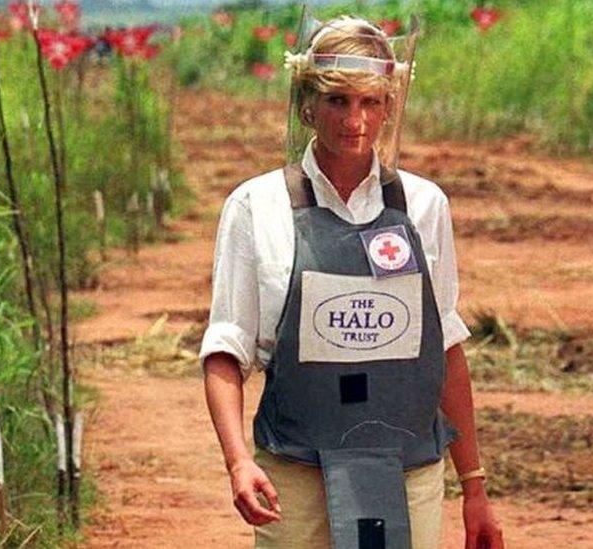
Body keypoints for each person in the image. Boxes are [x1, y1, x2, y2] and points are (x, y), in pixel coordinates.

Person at [199, 15, 505, 549]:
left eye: (370, 102)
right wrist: (238, 462)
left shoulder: (424, 206)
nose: (354, 120)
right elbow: (227, 347)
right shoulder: (256, 206)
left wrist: (474, 487)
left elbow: (445, 347)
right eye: (338, 100)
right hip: (295, 474)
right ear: (307, 104)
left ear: (390, 107)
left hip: (409, 471)